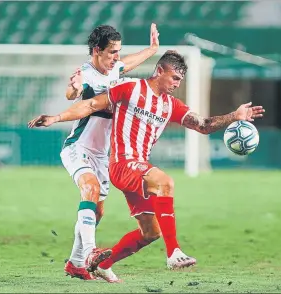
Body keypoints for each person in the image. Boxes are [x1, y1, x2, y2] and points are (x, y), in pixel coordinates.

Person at [28, 51, 265, 282]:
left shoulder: (171, 105)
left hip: (139, 168)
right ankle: (174, 253)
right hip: (122, 164)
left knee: (150, 232)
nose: (176, 83)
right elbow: (90, 105)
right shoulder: (130, 89)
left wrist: (235, 115)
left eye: (180, 80)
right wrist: (56, 118)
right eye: (174, 77)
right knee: (164, 181)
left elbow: (203, 125)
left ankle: (102, 265)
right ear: (159, 70)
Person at [60, 23, 160, 281]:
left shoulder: (114, 68)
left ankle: (75, 263)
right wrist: (75, 88)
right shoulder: (85, 73)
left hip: (103, 154)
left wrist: (152, 49)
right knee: (90, 190)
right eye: (112, 52)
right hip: (78, 147)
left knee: (97, 211)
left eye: (118, 51)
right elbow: (73, 91)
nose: (117, 57)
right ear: (97, 51)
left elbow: (128, 63)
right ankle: (92, 253)